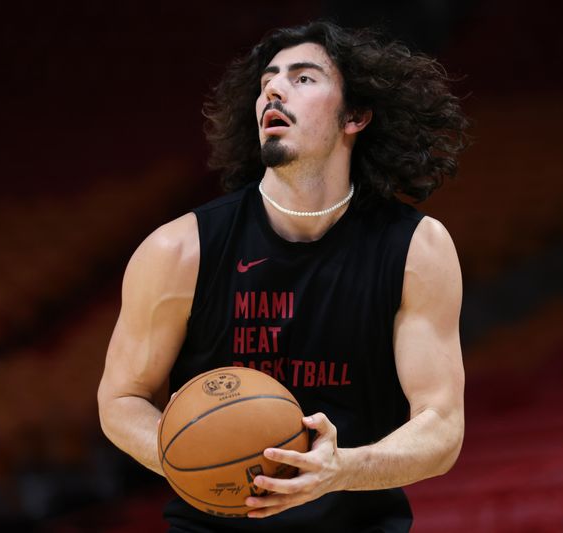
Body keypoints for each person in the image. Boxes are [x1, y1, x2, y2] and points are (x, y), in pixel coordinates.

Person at [98, 20, 468, 532]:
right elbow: (121, 399)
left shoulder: (416, 249)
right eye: (268, 79)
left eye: (303, 78)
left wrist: (339, 471)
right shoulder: (179, 248)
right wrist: (198, 462)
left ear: (355, 115)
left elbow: (442, 427)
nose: (273, 88)